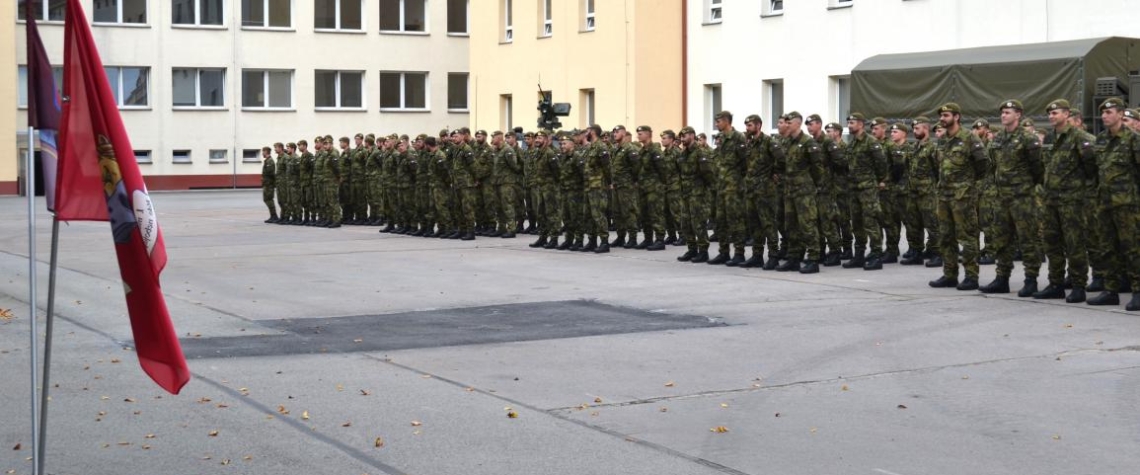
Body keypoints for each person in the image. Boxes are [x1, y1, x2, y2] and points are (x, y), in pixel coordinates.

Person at [1031, 99, 1096, 302]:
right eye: (1049, 114)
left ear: (1067, 114)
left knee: (1074, 244)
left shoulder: (1080, 137)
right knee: (1052, 243)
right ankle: (1056, 284)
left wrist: (1080, 192)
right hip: (1051, 200)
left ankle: (1078, 285)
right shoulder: (1050, 138)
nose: (1051, 116)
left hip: (1072, 201)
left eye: (1055, 113)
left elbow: (1092, 169)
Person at [978, 100, 1044, 296]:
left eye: (1007, 112)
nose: (1003, 115)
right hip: (1002, 198)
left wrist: (1025, 187)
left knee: (1028, 240)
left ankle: (1031, 280)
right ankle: (1002, 278)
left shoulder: (1028, 139)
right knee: (1002, 240)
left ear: (1018, 115)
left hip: (1022, 198)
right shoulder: (997, 139)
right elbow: (992, 166)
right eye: (1002, 113)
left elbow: (1038, 169)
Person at [1087, 97, 1140, 310]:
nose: (1104, 116)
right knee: (1107, 247)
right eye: (1103, 113)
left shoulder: (1133, 140)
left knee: (1132, 248)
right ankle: (1110, 290)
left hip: (1128, 204)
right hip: (1105, 204)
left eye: (1109, 112)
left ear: (1120, 114)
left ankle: (1138, 290)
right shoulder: (1100, 140)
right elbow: (1094, 171)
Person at [928, 103, 988, 290]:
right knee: (946, 236)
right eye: (941, 116)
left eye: (946, 115)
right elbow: (937, 166)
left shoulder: (970, 137)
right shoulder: (943, 139)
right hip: (944, 195)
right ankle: (950, 274)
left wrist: (967, 184)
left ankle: (971, 276)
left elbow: (983, 164)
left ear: (957, 117)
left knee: (967, 236)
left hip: (963, 196)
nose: (942, 119)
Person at [775, 111, 824, 273]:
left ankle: (813, 259)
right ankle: (794, 258)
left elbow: (818, 169)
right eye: (785, 123)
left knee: (807, 225)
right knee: (791, 226)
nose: (786, 125)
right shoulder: (787, 142)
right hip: (789, 191)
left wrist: (812, 186)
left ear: (797, 123)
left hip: (804, 192)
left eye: (789, 123)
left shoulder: (808, 143)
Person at [840, 113, 888, 270]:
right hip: (854, 189)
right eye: (848, 122)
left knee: (870, 222)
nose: (850, 125)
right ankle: (859, 254)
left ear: (861, 124)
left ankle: (876, 255)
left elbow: (881, 163)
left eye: (852, 122)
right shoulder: (853, 144)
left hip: (867, 189)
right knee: (857, 223)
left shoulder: (870, 142)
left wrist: (879, 180)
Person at [900, 117, 941, 268]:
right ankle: (916, 251)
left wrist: (935, 188)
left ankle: (937, 253)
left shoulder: (933, 148)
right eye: (914, 129)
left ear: (926, 129)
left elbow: (939, 170)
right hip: (913, 192)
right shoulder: (913, 147)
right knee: (913, 224)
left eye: (918, 129)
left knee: (932, 224)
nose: (914, 131)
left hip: (928, 193)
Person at [708, 111, 749, 266]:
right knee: (721, 221)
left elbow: (745, 162)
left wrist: (738, 181)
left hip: (734, 187)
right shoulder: (721, 138)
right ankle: (723, 252)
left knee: (736, 220)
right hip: (721, 186)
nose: (716, 124)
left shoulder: (738, 138)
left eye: (718, 122)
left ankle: (739, 253)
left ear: (726, 121)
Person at [675, 126, 715, 263]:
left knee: (698, 223)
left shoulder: (700, 152)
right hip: (685, 193)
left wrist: (708, 192)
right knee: (686, 223)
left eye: (684, 136)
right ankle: (692, 249)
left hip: (698, 194)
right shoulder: (683, 154)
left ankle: (703, 251)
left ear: (692, 136)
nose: (682, 139)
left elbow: (709, 174)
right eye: (681, 137)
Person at [635, 125, 667, 250]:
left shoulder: (655, 150)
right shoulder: (642, 151)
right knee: (645, 214)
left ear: (648, 134)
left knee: (656, 213)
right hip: (643, 188)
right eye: (638, 134)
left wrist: (661, 184)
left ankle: (660, 240)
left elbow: (662, 170)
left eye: (641, 133)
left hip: (654, 188)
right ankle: (648, 239)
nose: (638, 136)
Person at [260, 146, 278, 223]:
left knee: (269, 199)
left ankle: (274, 216)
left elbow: (271, 173)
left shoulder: (270, 161)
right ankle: (273, 215)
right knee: (266, 199)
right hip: (266, 183)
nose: (262, 153)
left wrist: (267, 181)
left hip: (269, 184)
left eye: (263, 152)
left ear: (266, 152)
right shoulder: (267, 161)